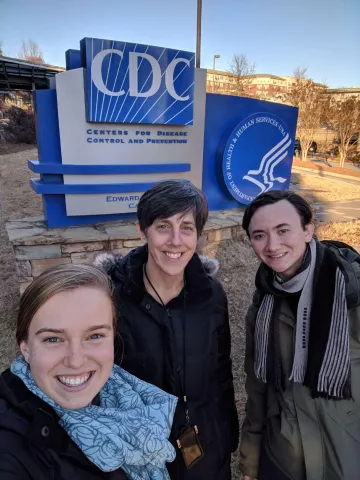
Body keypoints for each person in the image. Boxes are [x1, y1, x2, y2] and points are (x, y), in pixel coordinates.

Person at [95, 179, 239, 480]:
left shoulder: (211, 296)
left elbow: (220, 372)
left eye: (186, 227)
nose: (176, 240)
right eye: (163, 226)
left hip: (203, 449)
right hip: (136, 454)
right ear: (141, 230)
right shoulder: (110, 297)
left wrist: (226, 438)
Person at [0, 264, 177, 480]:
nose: (76, 361)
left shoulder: (122, 388)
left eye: (94, 336)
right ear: (26, 348)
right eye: (53, 339)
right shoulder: (9, 447)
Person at [239, 190, 360, 480]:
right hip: (283, 458)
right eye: (259, 235)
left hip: (345, 457)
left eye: (283, 230)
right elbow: (258, 390)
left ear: (308, 229)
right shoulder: (263, 303)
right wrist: (250, 465)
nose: (272, 245)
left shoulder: (351, 292)